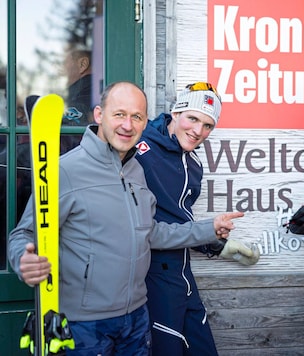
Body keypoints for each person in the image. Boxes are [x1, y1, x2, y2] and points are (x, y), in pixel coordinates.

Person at [8, 81, 244, 355]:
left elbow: (151, 232)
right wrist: (23, 260)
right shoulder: (66, 171)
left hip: (136, 320)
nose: (127, 125)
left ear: (145, 123)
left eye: (136, 117)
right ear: (99, 115)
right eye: (119, 114)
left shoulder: (136, 172)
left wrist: (209, 230)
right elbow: (23, 235)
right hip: (85, 325)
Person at [135, 81, 259, 356]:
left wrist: (215, 243)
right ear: (176, 113)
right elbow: (141, 228)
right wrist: (207, 232)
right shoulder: (140, 149)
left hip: (184, 274)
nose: (198, 131)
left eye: (207, 126)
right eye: (192, 118)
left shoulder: (193, 164)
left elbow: (181, 220)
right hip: (153, 276)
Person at [62, 48, 93, 126]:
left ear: (83, 64)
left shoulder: (82, 98)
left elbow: (70, 135)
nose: (60, 70)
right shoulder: (94, 93)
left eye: (64, 63)